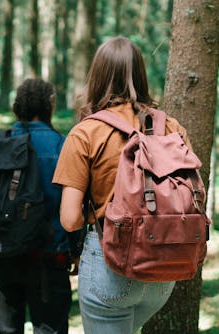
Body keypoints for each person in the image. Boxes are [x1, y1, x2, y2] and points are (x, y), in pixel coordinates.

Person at [52, 36, 194, 334]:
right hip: (164, 268)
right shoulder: (172, 127)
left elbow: (69, 219)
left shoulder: (85, 133)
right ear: (141, 74)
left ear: (97, 76)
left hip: (110, 264)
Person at [0, 78, 79, 334]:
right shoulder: (63, 146)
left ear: (18, 106)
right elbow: (76, 203)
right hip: (49, 258)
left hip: (2, 256)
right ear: (50, 105)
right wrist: (76, 249)